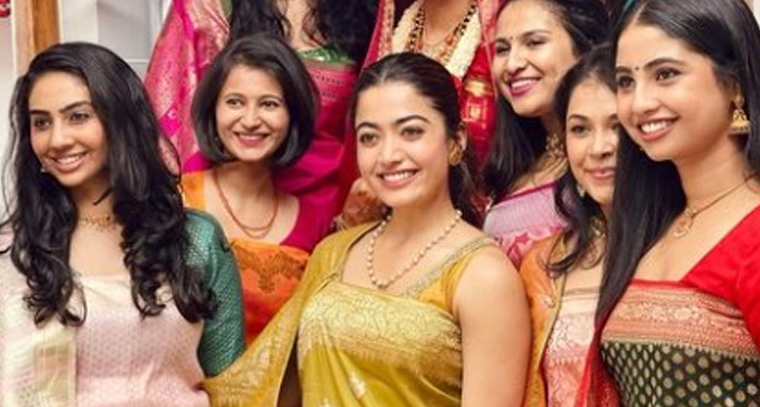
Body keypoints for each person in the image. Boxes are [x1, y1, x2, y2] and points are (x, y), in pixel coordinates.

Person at [202, 52, 530, 407]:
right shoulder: (334, 252)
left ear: (456, 142)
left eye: (411, 132)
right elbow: (264, 385)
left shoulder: (483, 275)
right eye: (370, 137)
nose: (388, 155)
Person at [0, 42, 245, 406]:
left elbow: (235, 388)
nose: (57, 139)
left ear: (121, 120)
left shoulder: (195, 241)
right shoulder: (12, 255)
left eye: (78, 116)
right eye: (41, 122)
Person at [582, 0, 760, 405]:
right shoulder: (650, 226)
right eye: (625, 82)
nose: (639, 103)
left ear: (733, 83)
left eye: (665, 74)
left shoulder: (753, 236)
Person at [144, 0, 376, 218]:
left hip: (334, 209)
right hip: (225, 209)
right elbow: (172, 123)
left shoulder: (369, 10)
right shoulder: (205, 7)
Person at [183, 33, 327, 344]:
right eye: (234, 102)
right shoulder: (177, 200)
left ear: (293, 116)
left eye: (269, 104)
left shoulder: (314, 222)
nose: (250, 120)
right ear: (213, 109)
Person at [519, 45, 618, 407]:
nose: (598, 148)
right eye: (580, 129)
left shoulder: (678, 248)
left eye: (616, 127)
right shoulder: (543, 264)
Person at [482, 0, 609, 266]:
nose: (512, 64)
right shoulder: (512, 165)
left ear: (586, 46)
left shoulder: (612, 154)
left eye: (534, 42)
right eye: (502, 49)